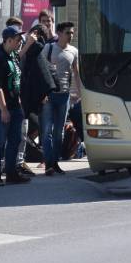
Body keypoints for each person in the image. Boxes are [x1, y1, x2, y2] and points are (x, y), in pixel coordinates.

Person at [0, 26, 31, 186]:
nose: (20, 42)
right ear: (9, 40)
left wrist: (18, 103)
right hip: (0, 108)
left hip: (15, 106)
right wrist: (3, 109)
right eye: (18, 39)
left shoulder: (13, 56)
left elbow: (16, 82)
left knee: (15, 140)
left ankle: (11, 173)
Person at [40, 21, 82, 175]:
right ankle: (49, 164)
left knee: (60, 133)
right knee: (46, 131)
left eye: (72, 32)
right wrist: (42, 93)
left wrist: (80, 93)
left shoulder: (74, 51)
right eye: (67, 32)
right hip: (49, 96)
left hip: (64, 96)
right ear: (59, 33)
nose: (70, 35)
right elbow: (41, 72)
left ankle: (54, 162)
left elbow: (76, 73)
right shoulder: (48, 48)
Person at [17, 24, 57, 173]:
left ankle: (20, 162)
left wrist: (43, 93)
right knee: (18, 132)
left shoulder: (37, 50)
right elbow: (14, 61)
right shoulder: (21, 46)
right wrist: (27, 45)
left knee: (26, 130)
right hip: (15, 97)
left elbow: (41, 73)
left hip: (28, 98)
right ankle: (14, 163)